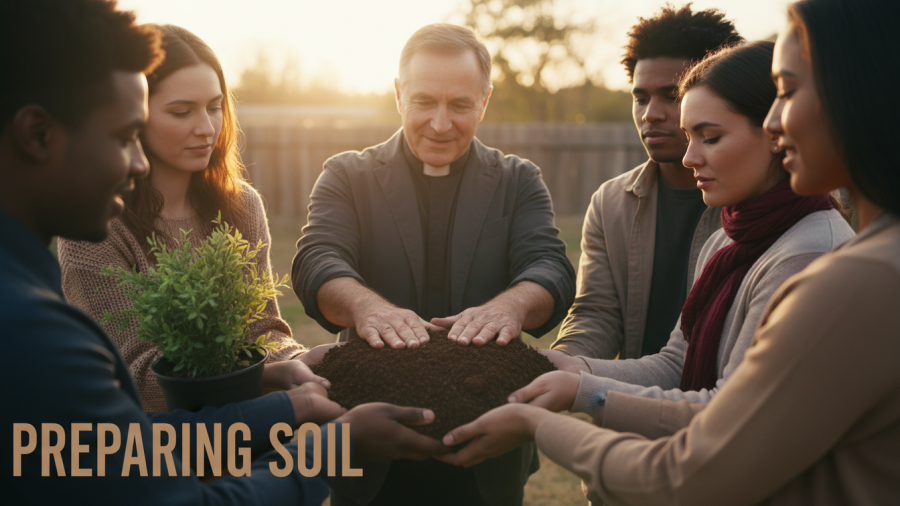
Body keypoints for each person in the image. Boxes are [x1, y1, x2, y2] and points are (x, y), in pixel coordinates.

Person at [437, 0, 900, 503]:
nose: (775, 121)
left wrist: (544, 421)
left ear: (855, 91)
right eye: (642, 97)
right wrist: (553, 368)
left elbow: (702, 460)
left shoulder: (825, 263)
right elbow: (671, 360)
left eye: (786, 93)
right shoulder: (729, 238)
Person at [0, 1, 445, 503]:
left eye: (215, 107)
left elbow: (111, 445)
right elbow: (136, 432)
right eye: (125, 135)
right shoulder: (37, 328)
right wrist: (330, 444)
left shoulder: (238, 206)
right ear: (36, 134)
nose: (138, 162)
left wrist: (287, 370)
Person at [292, 23, 576, 506]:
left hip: (488, 448)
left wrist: (511, 306)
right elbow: (317, 257)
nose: (441, 124)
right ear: (398, 94)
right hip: (369, 446)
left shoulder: (519, 180)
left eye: (460, 105)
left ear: (484, 102)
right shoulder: (347, 174)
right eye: (424, 102)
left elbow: (549, 265)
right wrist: (366, 307)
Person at [520, 40, 853, 438]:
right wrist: (574, 368)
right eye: (688, 136)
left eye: (709, 137)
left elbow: (733, 415)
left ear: (775, 132)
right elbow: (676, 364)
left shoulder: (807, 253)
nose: (689, 157)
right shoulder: (725, 243)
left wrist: (581, 393)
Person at [57, 25, 326, 413]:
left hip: (256, 425)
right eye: (181, 112)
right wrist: (264, 374)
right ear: (133, 115)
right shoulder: (96, 224)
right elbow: (134, 376)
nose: (207, 128)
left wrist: (294, 359)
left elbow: (262, 329)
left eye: (215, 107)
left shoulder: (242, 206)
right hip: (152, 440)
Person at [552, 4, 742, 361]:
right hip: (624, 393)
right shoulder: (610, 203)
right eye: (640, 98)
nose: (650, 114)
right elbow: (596, 315)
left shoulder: (762, 206)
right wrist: (560, 364)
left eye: (672, 96)